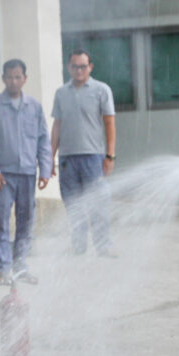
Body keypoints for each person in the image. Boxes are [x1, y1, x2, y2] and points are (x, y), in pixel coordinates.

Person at [0, 59, 52, 284]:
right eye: (9, 77)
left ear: (25, 79)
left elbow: (43, 140)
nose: (13, 81)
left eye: (18, 77)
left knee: (26, 221)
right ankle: (2, 269)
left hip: (28, 173)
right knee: (0, 220)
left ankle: (21, 267)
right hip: (4, 175)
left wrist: (45, 169)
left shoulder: (35, 107)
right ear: (3, 79)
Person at [51, 49, 117, 257]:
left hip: (93, 156)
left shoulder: (101, 90)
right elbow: (57, 126)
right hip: (67, 159)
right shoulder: (61, 93)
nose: (78, 70)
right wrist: (50, 157)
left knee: (98, 204)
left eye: (83, 66)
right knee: (73, 204)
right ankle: (78, 246)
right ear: (68, 67)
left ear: (90, 67)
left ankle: (103, 246)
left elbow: (109, 124)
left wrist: (110, 156)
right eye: (74, 66)